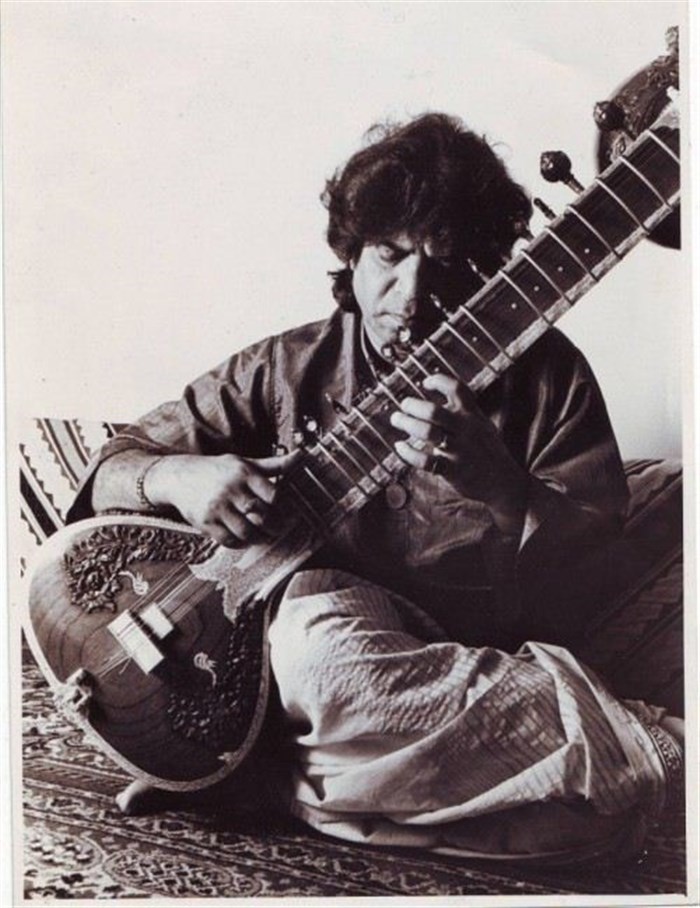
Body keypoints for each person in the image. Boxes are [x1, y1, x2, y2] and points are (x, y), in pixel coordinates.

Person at [69, 113, 682, 861]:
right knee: (316, 649)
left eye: (445, 262)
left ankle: (280, 782)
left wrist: (502, 488)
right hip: (297, 665)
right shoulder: (285, 369)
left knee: (556, 811)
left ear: (486, 269)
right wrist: (178, 475)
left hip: (445, 666)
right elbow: (112, 467)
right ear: (352, 255)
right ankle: (612, 759)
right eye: (390, 255)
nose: (411, 291)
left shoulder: (549, 378)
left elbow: (594, 578)